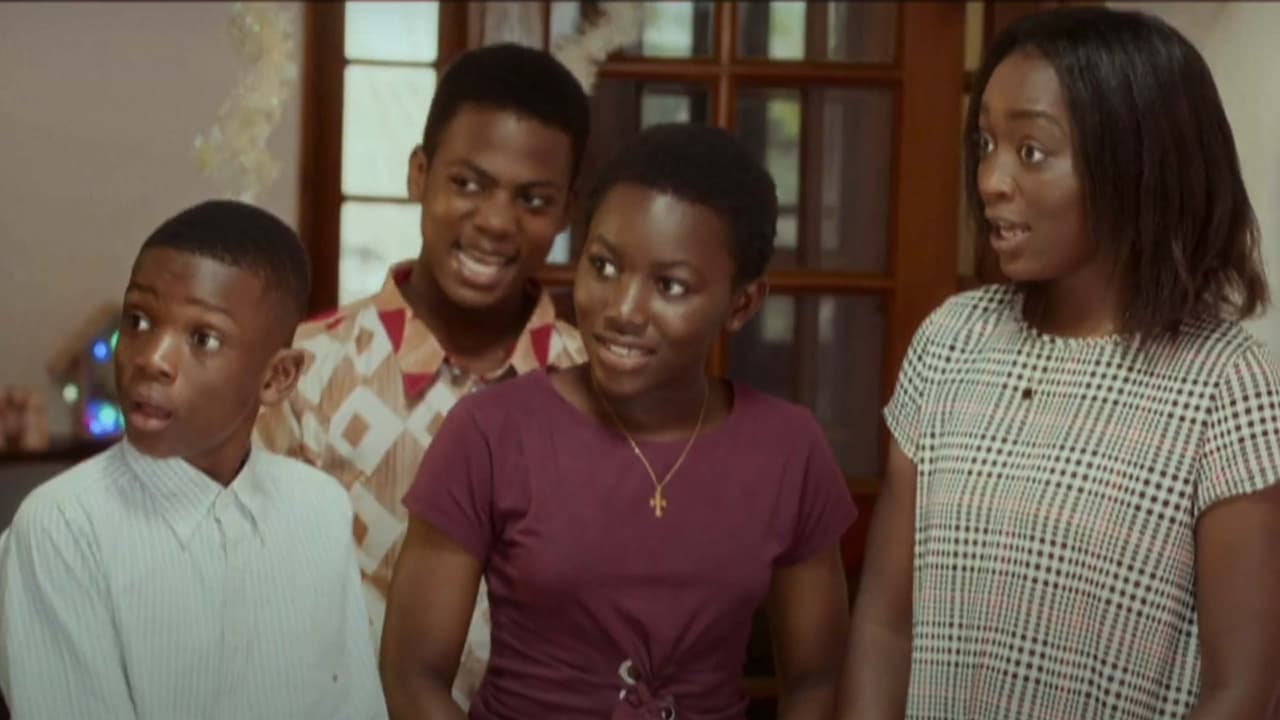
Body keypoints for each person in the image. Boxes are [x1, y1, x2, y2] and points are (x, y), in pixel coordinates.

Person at [839, 7, 1280, 718]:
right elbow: (886, 627)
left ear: (1137, 163)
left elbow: (1243, 692)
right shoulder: (950, 341)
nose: (991, 179)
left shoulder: (1226, 384)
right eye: (986, 143)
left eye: (1032, 151)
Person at [380, 123, 857, 719]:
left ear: (742, 304)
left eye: (670, 286)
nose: (623, 310)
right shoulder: (491, 433)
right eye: (604, 266)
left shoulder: (788, 449)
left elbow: (817, 681)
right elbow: (413, 676)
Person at [253, 43, 589, 702]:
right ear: (419, 174)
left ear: (567, 210)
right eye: (468, 183)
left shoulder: (596, 387)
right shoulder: (304, 374)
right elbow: (250, 606)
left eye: (533, 199)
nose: (495, 221)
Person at [0, 200, 385, 719]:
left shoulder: (319, 507)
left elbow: (355, 705)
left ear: (277, 377)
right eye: (138, 320)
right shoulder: (63, 526)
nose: (152, 360)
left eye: (203, 338)